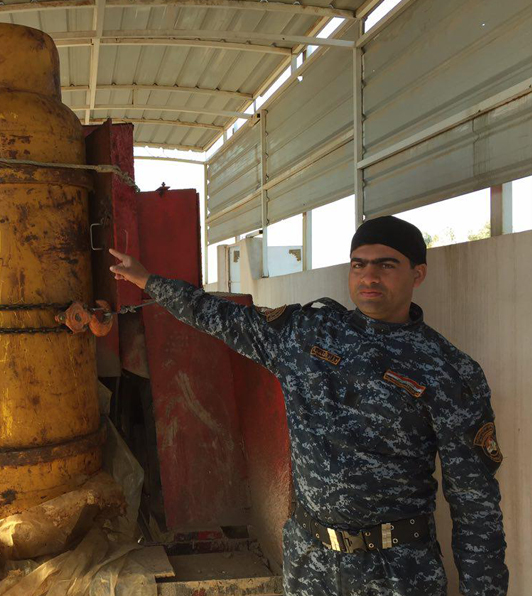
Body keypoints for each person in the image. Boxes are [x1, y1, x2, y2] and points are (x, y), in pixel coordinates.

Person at [108, 216, 507, 596]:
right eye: (359, 265)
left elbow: (475, 507)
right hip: (309, 561)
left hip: (397, 573)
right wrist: (148, 280)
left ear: (417, 273)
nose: (369, 277)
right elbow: (221, 317)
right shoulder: (305, 334)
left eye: (386, 265)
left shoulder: (449, 372)